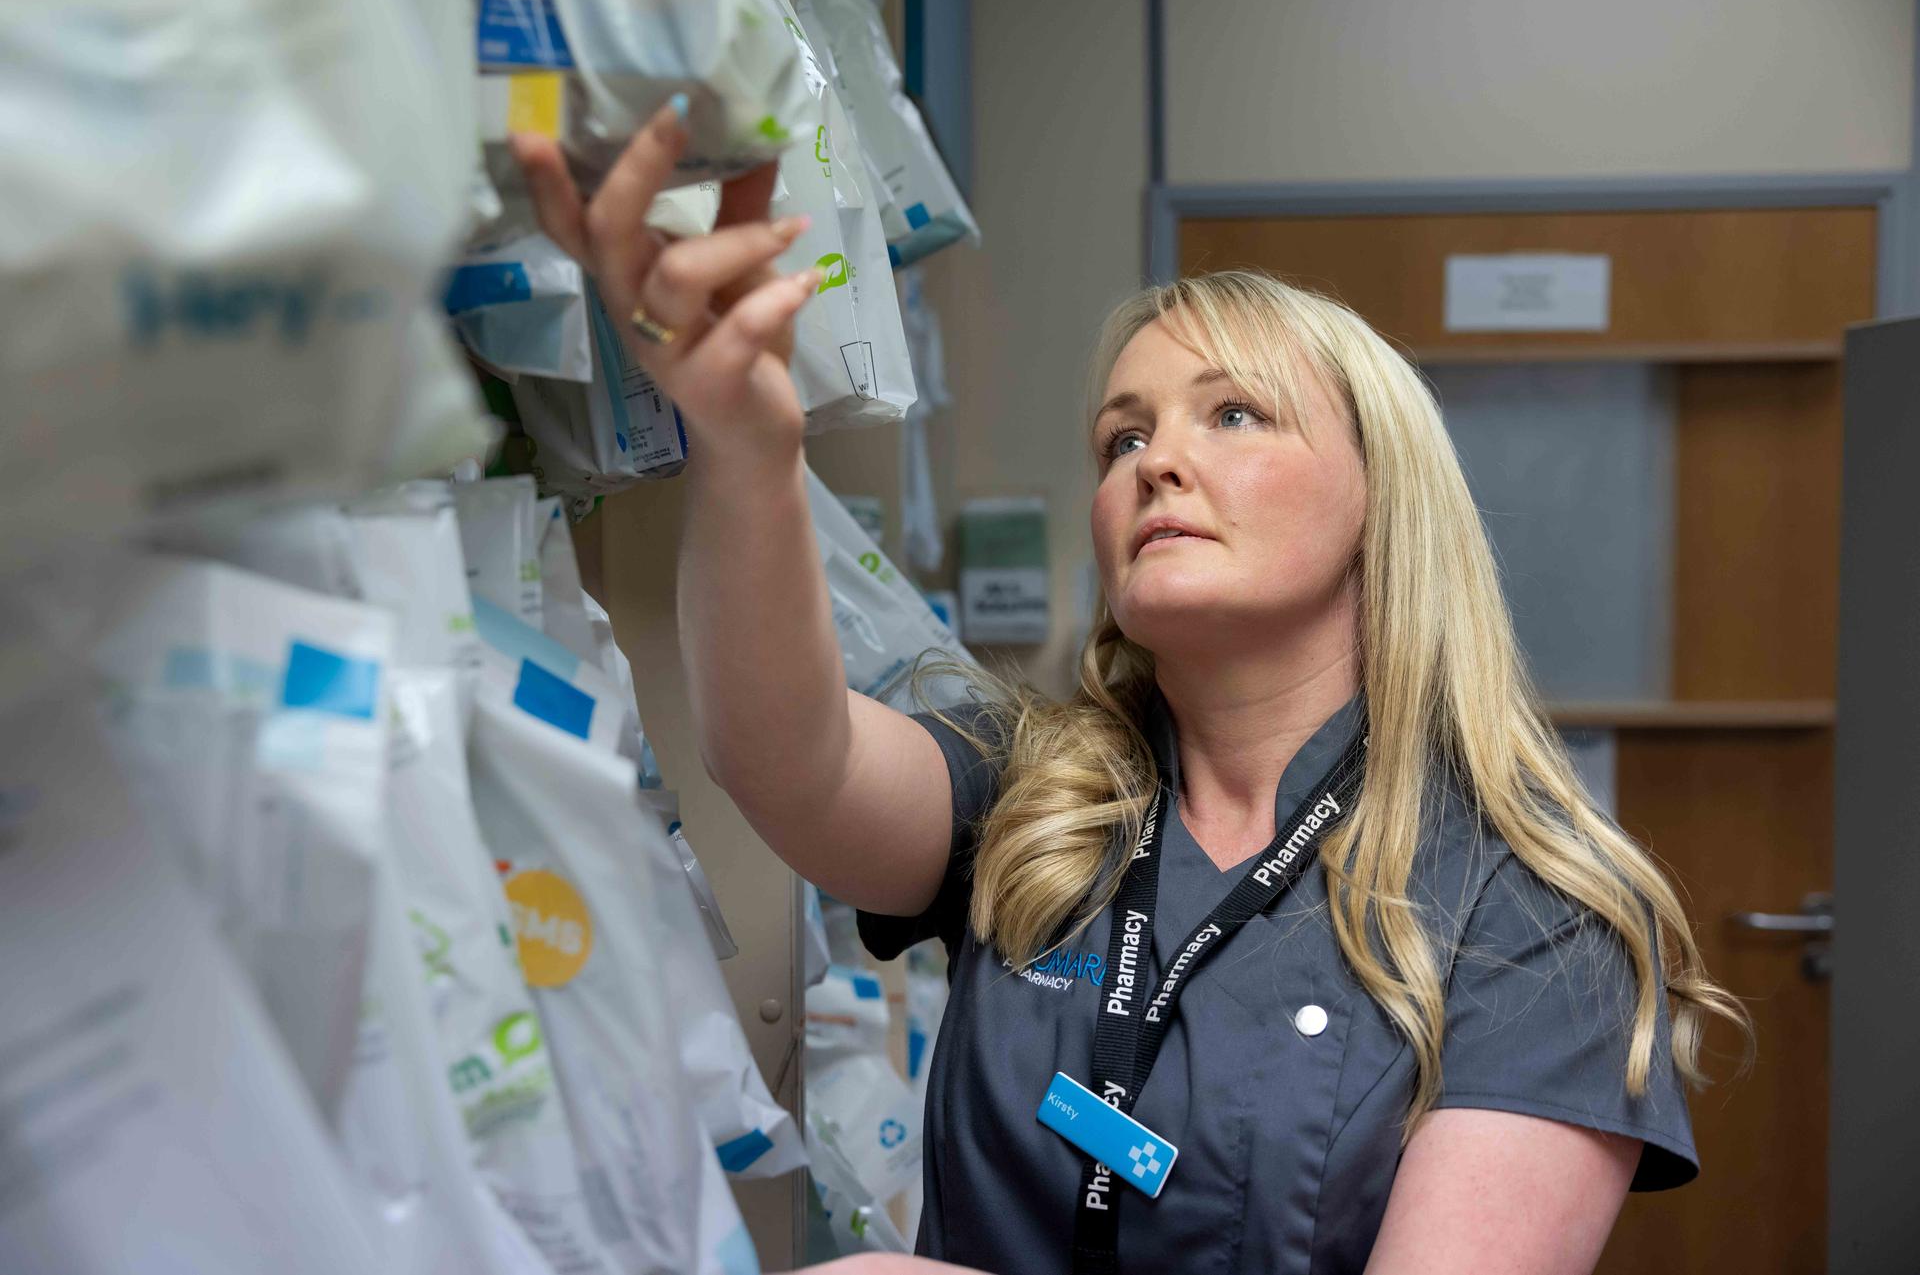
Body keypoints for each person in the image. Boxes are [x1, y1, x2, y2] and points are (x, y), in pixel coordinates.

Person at [514, 100, 1751, 1275]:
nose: (1159, 460)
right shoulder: (1032, 799)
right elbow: (793, 761)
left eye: (1235, 416)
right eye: (1123, 437)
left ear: (1384, 499)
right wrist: (746, 447)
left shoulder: (1532, 921)